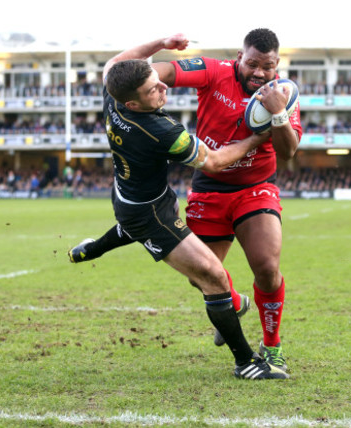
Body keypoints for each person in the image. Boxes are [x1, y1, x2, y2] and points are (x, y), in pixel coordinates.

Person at [69, 29, 302, 373]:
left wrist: (279, 114)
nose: (258, 72)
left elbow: (289, 151)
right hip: (208, 186)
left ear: (277, 64)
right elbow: (214, 161)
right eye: (251, 63)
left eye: (267, 66)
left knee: (266, 269)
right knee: (203, 276)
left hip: (255, 186)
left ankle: (271, 347)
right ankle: (234, 303)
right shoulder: (205, 80)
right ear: (240, 58)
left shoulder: (284, 93)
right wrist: (257, 137)